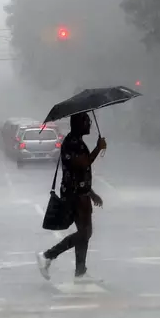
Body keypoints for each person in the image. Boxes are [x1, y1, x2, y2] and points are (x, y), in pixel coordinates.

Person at [37, 112, 107, 281]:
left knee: (85, 232)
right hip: (74, 195)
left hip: (81, 193)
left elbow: (81, 173)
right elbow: (82, 164)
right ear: (78, 124)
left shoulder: (78, 142)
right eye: (86, 121)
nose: (89, 124)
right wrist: (98, 148)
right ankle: (48, 255)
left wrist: (91, 193)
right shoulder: (71, 143)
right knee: (84, 233)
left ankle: (80, 271)